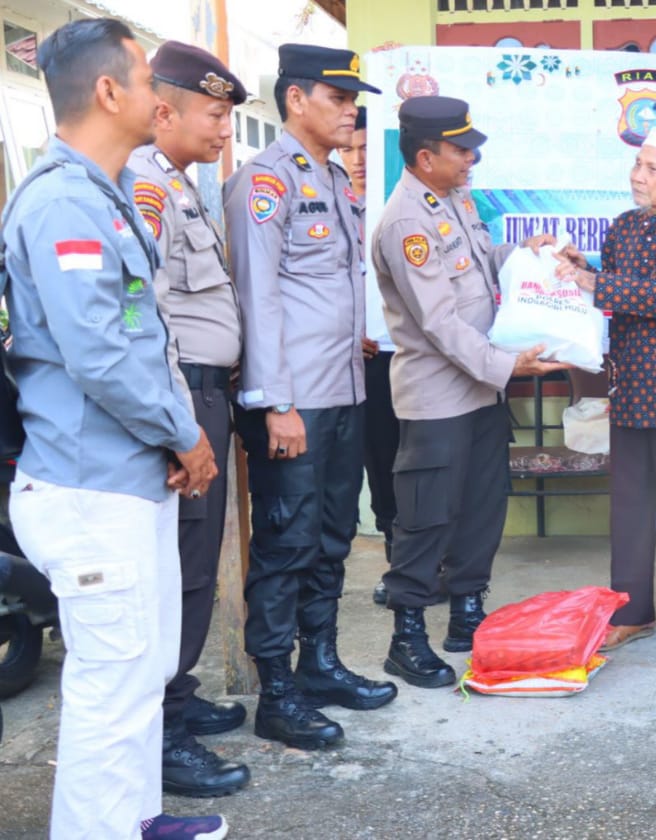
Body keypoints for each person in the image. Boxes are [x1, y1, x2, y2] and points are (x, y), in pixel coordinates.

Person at [4, 18, 226, 839]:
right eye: (142, 79)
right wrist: (184, 434)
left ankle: (137, 818)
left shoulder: (106, 191)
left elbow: (139, 336)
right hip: (91, 488)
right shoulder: (64, 202)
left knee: (139, 673)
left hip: (128, 477)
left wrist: (172, 437)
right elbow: (98, 353)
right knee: (109, 686)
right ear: (106, 92)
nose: (157, 97)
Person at [225, 43, 396, 750]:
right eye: (339, 98)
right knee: (286, 543)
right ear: (296, 99)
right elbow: (257, 295)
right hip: (293, 402)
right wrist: (276, 403)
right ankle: (277, 693)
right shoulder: (265, 181)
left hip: (342, 392)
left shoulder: (332, 176)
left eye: (353, 100)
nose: (350, 111)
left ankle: (319, 665)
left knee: (332, 536)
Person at [371, 96, 567, 689]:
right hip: (438, 396)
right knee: (426, 518)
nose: (471, 158)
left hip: (482, 390)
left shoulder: (454, 197)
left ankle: (467, 615)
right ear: (425, 157)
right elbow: (439, 321)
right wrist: (509, 366)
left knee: (483, 507)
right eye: (460, 150)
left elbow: (479, 268)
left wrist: (526, 256)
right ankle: (407, 638)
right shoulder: (406, 221)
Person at [550, 126, 656, 660]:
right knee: (627, 508)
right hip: (628, 385)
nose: (638, 176)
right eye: (637, 165)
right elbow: (618, 290)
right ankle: (632, 614)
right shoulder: (622, 227)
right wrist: (584, 270)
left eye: (652, 169)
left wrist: (597, 284)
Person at [128, 40, 250, 799]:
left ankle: (178, 694)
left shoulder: (180, 184)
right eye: (213, 114)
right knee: (183, 568)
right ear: (164, 111)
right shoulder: (146, 187)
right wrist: (184, 424)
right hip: (185, 398)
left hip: (207, 391)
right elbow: (151, 318)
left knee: (195, 563)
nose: (224, 130)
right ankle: (164, 732)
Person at [339, 106, 398, 606]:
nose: (358, 159)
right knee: (377, 465)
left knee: (412, 463)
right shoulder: (330, 204)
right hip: (355, 359)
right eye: (348, 149)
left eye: (366, 149)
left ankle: (428, 562)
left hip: (406, 353)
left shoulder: (394, 206)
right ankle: (398, 565)